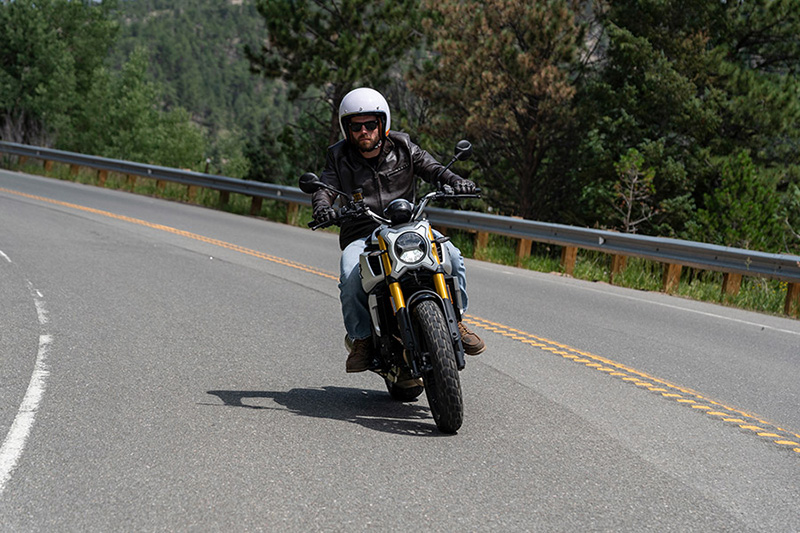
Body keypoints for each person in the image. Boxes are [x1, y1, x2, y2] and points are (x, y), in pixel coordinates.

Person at [311, 87, 485, 373]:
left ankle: (458, 318)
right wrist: (322, 207)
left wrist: (456, 180)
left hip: (409, 225)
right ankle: (362, 339)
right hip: (363, 232)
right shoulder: (338, 157)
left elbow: (434, 169)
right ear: (347, 129)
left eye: (370, 124)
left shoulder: (403, 146)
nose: (364, 131)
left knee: (452, 258)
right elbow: (324, 188)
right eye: (357, 127)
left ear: (382, 124)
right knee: (350, 274)